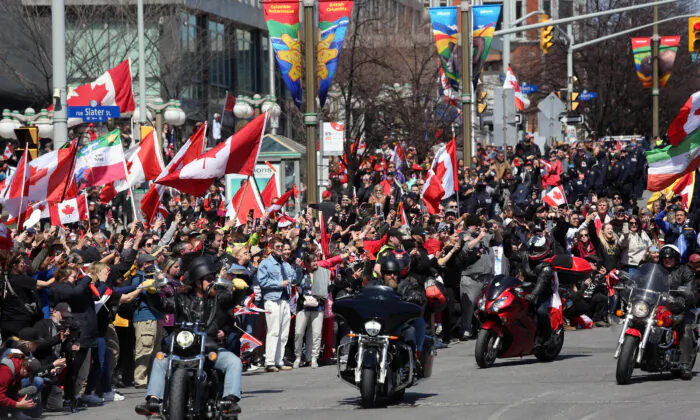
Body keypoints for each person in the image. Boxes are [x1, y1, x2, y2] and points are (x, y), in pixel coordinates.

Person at [134, 256, 247, 415]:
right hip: (183, 346)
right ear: (196, 281)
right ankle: (153, 400)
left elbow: (231, 301)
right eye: (207, 279)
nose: (211, 281)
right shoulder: (182, 297)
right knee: (160, 360)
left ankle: (229, 400)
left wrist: (239, 291)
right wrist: (153, 294)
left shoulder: (218, 297)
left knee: (234, 362)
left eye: (212, 278)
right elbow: (165, 305)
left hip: (209, 347)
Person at [257, 237, 296, 372]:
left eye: (282, 246)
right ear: (272, 247)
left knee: (284, 332)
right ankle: (269, 361)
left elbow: (293, 277)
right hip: (272, 299)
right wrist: (279, 284)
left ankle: (279, 360)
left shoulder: (286, 264)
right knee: (273, 330)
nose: (280, 249)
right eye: (278, 246)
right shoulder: (265, 263)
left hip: (285, 300)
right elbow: (262, 282)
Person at [658, 245, 697, 379]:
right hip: (658, 306)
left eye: (670, 257)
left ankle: (685, 364)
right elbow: (642, 281)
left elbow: (690, 290)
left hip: (679, 307)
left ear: (676, 258)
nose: (667, 260)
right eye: (665, 258)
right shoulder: (657, 270)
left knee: (685, 327)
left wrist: (682, 298)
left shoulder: (685, 271)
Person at [292, 252, 330, 369]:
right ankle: (298, 357)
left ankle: (313, 358)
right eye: (313, 261)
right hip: (303, 306)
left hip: (318, 306)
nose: (315, 263)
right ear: (307, 263)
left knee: (316, 333)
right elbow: (295, 283)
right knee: (299, 332)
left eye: (316, 260)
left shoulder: (322, 272)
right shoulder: (301, 272)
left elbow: (328, 288)